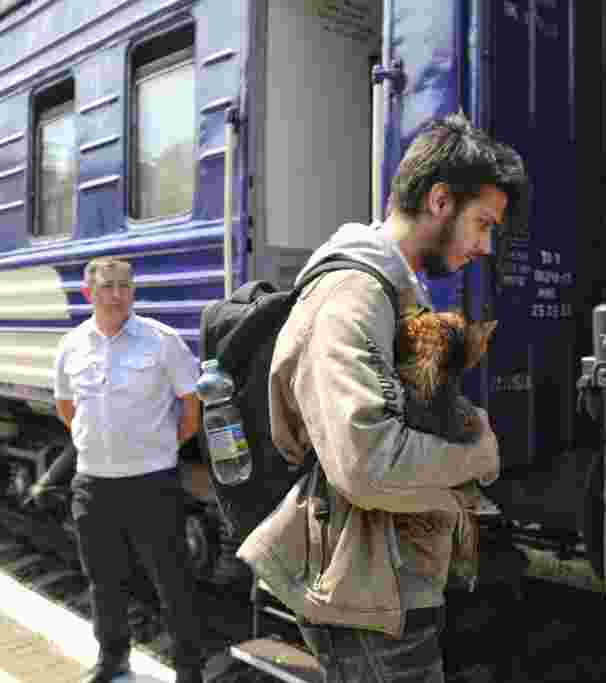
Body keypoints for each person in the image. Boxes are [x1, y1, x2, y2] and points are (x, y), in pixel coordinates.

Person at [237, 112, 528, 683]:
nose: (485, 245)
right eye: (482, 223)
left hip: (383, 577)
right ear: (440, 201)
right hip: (363, 593)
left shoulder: (393, 291)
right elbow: (366, 462)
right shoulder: (354, 295)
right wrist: (477, 455)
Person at [53, 257, 204, 683]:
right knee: (103, 581)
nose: (117, 295)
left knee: (172, 581)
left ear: (133, 290)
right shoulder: (71, 345)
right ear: (89, 293)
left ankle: (189, 670)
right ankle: (113, 659)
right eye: (107, 286)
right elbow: (67, 409)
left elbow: (190, 410)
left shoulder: (162, 341)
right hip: (94, 484)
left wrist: (156, 448)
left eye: (125, 286)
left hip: (152, 483)